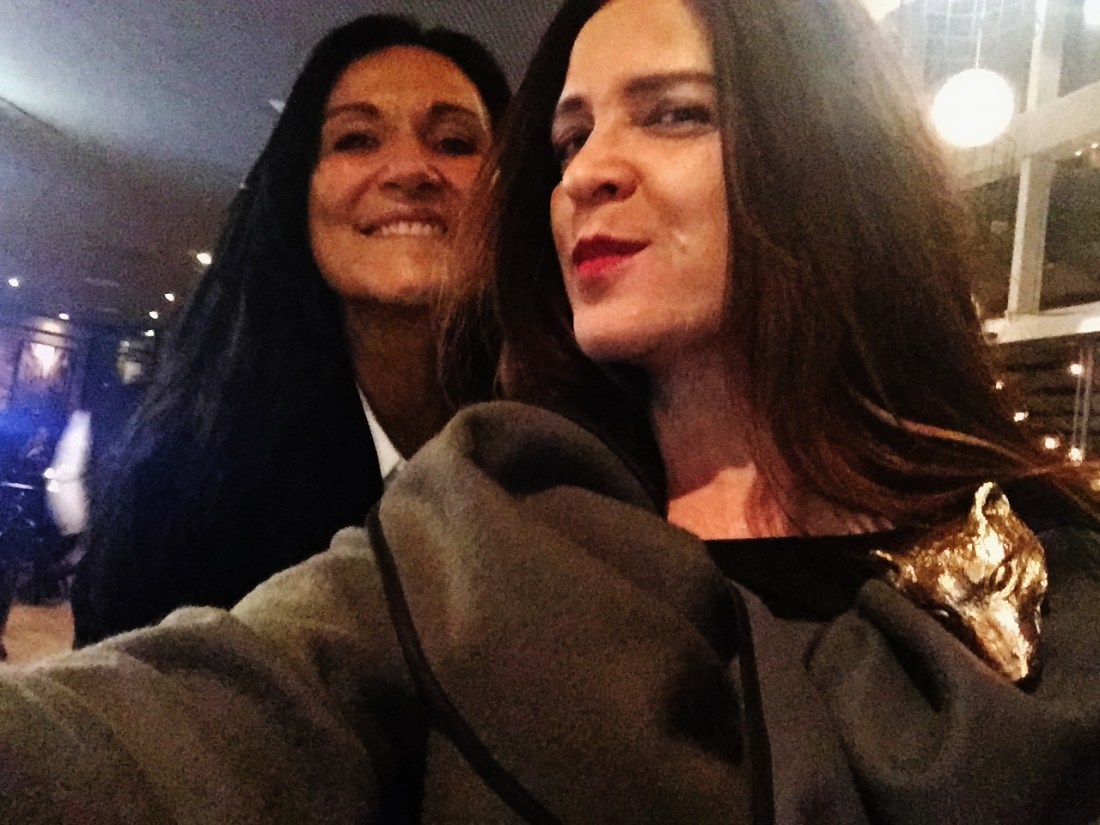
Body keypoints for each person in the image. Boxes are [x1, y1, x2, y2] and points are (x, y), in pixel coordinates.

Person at [0, 0, 1099, 822]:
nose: (583, 174)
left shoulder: (1042, 558)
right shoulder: (494, 514)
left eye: (674, 115)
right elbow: (197, 713)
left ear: (832, 154)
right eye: (568, 141)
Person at [70, 15, 510, 645]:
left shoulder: (573, 452)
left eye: (455, 143)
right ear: (295, 192)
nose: (410, 169)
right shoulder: (182, 476)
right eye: (356, 140)